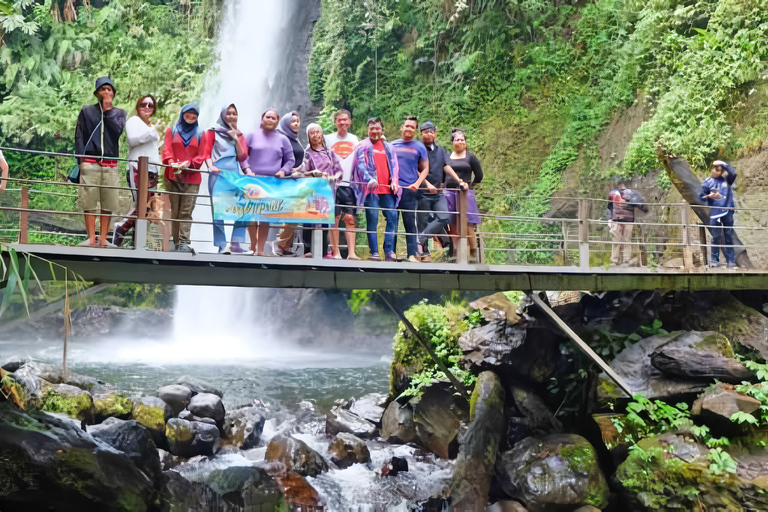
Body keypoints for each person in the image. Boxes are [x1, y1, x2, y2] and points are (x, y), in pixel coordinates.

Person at [74, 76, 126, 247]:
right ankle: (91, 238)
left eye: (109, 89)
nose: (106, 92)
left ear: (114, 93)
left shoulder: (119, 113)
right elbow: (79, 136)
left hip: (110, 163)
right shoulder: (86, 111)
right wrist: (80, 160)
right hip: (90, 161)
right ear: (97, 92)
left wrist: (108, 109)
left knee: (108, 202)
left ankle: (103, 239)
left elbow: (116, 132)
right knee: (88, 202)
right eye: (103, 89)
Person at [242, 108, 295, 256]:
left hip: (272, 182)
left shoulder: (283, 139)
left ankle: (259, 250)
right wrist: (247, 170)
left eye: (273, 118)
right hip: (253, 180)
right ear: (262, 118)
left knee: (265, 217)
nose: (270, 120)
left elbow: (290, 159)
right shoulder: (251, 135)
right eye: (268, 117)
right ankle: (253, 243)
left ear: (277, 121)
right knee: (251, 216)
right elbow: (243, 155)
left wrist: (283, 170)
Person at [113, 94, 161, 247]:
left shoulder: (151, 126)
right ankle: (121, 228)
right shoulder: (134, 121)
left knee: (149, 206)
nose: (147, 108)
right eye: (143, 104)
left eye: (150, 105)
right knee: (142, 204)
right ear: (137, 106)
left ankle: (138, 241)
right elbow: (133, 140)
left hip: (153, 168)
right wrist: (153, 133)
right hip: (138, 167)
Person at [200, 104, 250, 254]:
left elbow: (242, 157)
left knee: (245, 205)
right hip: (218, 174)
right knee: (218, 210)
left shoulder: (240, 134)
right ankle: (222, 245)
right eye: (228, 113)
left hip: (235, 174)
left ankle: (236, 243)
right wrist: (210, 167)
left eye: (234, 114)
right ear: (222, 115)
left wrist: (236, 138)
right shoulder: (212, 132)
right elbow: (206, 152)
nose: (231, 116)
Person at [416, 121, 467, 262]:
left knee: (444, 217)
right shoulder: (418, 149)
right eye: (425, 131)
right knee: (422, 221)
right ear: (421, 133)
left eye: (431, 131)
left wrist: (459, 180)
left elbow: (447, 167)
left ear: (435, 133)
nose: (429, 134)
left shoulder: (441, 150)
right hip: (422, 193)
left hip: (438, 193)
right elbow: (416, 169)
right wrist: (427, 184)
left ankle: (423, 236)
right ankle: (424, 254)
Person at [353, 117, 399, 261]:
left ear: (382, 130)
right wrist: (369, 178)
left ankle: (389, 251)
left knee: (392, 217)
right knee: (372, 219)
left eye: (377, 128)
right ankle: (374, 253)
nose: (375, 131)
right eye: (372, 129)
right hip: (371, 190)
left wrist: (395, 180)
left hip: (387, 190)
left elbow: (395, 165)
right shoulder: (362, 146)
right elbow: (360, 165)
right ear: (368, 130)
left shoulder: (389, 147)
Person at [162, 104, 205, 252]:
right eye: (188, 115)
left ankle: (184, 242)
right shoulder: (172, 130)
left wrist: (191, 163)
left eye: (194, 116)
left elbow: (202, 155)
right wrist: (171, 162)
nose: (191, 118)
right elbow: (166, 150)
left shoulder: (200, 133)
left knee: (186, 212)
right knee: (173, 210)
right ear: (182, 115)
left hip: (192, 178)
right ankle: (174, 242)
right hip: (173, 176)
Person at [391, 116, 430, 263]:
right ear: (402, 127)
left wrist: (418, 183)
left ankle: (412, 254)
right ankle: (391, 254)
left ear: (415, 130)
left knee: (409, 223)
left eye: (412, 127)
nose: (409, 129)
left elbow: (425, 169)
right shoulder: (391, 145)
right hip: (393, 189)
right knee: (392, 222)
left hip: (410, 189)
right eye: (407, 126)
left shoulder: (419, 146)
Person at [302, 123, 342, 257]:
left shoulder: (329, 152)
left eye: (318, 132)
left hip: (328, 190)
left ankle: (323, 251)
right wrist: (314, 173)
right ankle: (308, 249)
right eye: (312, 133)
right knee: (311, 219)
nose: (316, 135)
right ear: (308, 136)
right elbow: (304, 172)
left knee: (325, 220)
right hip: (313, 190)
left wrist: (332, 178)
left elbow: (339, 171)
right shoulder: (307, 154)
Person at [325, 109, 360, 260]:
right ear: (335, 122)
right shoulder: (327, 139)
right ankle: (336, 252)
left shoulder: (355, 139)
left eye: (345, 120)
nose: (343, 123)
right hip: (333, 185)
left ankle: (352, 253)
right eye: (339, 120)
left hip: (350, 184)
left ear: (350, 122)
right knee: (335, 218)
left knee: (350, 219)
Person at [445, 130, 483, 260]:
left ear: (465, 142)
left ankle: (472, 250)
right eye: (457, 139)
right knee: (453, 223)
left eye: (462, 140)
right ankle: (455, 251)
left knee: (468, 223)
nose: (460, 142)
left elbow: (479, 175)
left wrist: (470, 187)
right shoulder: (447, 157)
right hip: (449, 192)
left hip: (465, 193)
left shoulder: (470, 157)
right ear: (453, 142)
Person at [274, 111, 305, 256]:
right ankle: (280, 243)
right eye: (293, 121)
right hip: (285, 179)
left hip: (296, 179)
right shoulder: (282, 137)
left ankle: (286, 246)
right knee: (290, 212)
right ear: (286, 123)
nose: (296, 123)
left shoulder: (295, 138)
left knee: (294, 213)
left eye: (298, 120)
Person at [701, 160, 738, 269]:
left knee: (729, 236)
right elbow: (703, 195)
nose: (717, 171)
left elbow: (733, 173)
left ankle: (731, 261)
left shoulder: (727, 180)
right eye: (716, 168)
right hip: (715, 212)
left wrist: (724, 164)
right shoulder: (707, 182)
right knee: (716, 237)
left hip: (728, 210)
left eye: (720, 170)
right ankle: (714, 260)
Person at [607, 184, 648, 266]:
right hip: (619, 219)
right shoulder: (616, 194)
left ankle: (623, 259)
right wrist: (610, 219)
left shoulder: (629, 194)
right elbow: (610, 206)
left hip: (625, 220)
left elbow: (638, 204)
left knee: (624, 239)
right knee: (619, 239)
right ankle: (618, 259)